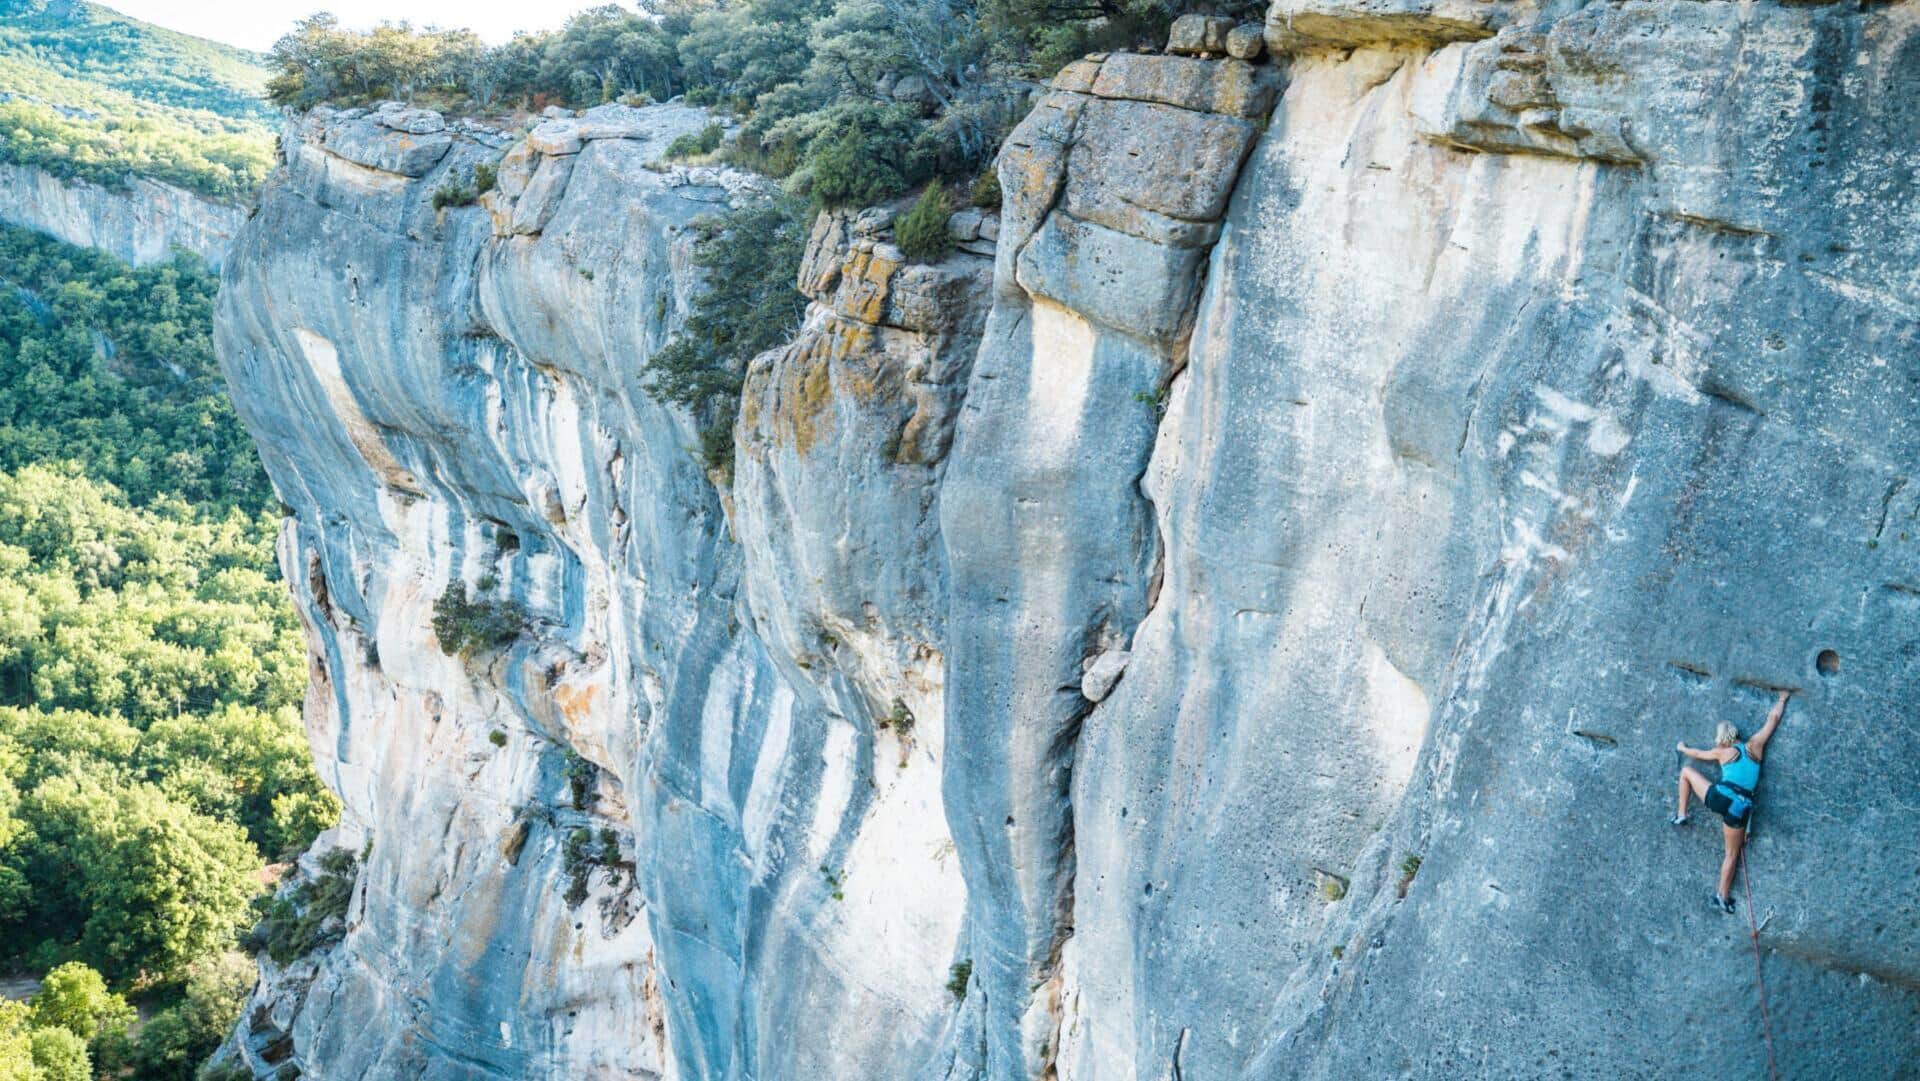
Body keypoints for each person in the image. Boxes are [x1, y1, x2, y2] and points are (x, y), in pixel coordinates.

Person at [1671, 689, 1790, 913]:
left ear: (1722, 738)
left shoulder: (1722, 752)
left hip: (1719, 797)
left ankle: (1682, 814)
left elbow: (1697, 754)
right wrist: (1782, 698)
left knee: (1686, 771)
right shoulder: (1755, 745)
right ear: (1737, 734)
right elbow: (1772, 719)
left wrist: (1683, 748)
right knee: (1732, 854)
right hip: (1740, 809)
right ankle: (1722, 898)